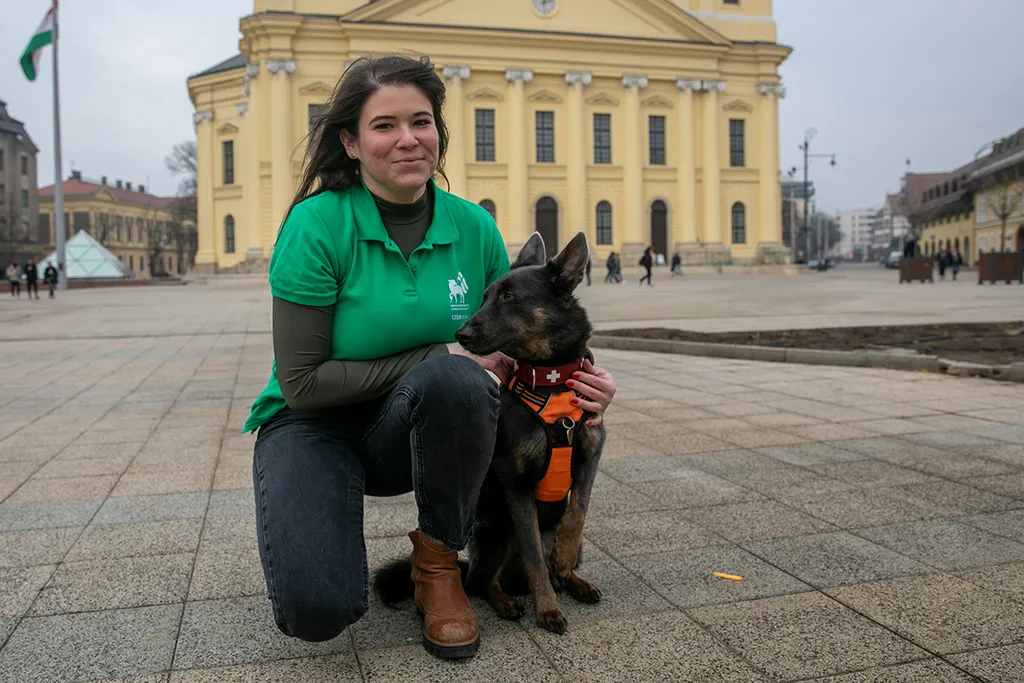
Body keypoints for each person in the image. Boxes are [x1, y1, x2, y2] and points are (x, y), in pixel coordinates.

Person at [241, 55, 617, 661]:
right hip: (315, 423)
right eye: (384, 126)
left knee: (457, 382)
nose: (407, 139)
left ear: (439, 131)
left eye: (422, 121)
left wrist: (585, 381)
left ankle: (438, 565)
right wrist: (436, 354)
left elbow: (522, 330)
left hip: (417, 428)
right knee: (318, 609)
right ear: (351, 142)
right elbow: (302, 383)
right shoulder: (317, 225)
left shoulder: (473, 228)